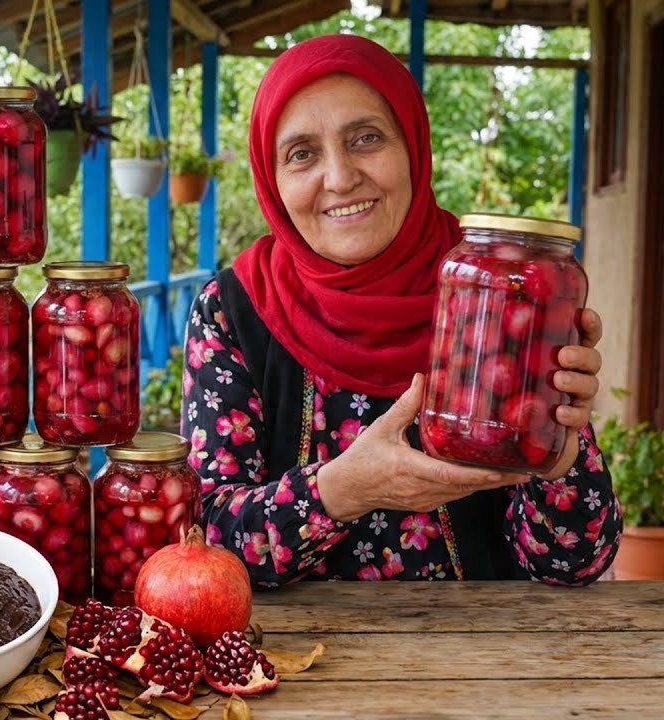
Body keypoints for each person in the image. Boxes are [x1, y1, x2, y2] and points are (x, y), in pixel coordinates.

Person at [179, 34, 620, 586]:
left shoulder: (494, 289)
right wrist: (342, 491)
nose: (339, 178)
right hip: (296, 660)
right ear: (272, 180)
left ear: (413, 145)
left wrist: (558, 458)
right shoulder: (234, 310)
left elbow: (575, 561)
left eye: (365, 139)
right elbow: (202, 546)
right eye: (301, 154)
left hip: (485, 657)